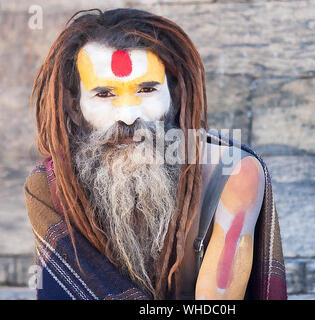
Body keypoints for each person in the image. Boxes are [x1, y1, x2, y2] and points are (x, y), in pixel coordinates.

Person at [24, 8, 287, 300]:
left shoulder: (234, 175)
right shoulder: (51, 186)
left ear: (173, 96)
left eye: (147, 89)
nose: (127, 115)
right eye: (104, 94)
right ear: (75, 108)